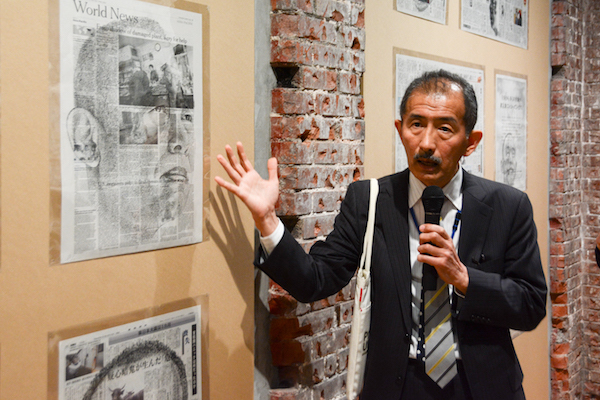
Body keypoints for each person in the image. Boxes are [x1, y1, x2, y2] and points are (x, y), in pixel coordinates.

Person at [215, 70, 547, 400]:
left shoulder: (508, 206)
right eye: (416, 125)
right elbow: (313, 281)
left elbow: (531, 304)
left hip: (482, 386)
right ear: (400, 130)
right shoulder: (369, 200)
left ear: (470, 142)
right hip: (398, 384)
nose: (427, 143)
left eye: (445, 128)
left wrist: (463, 278)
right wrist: (267, 219)